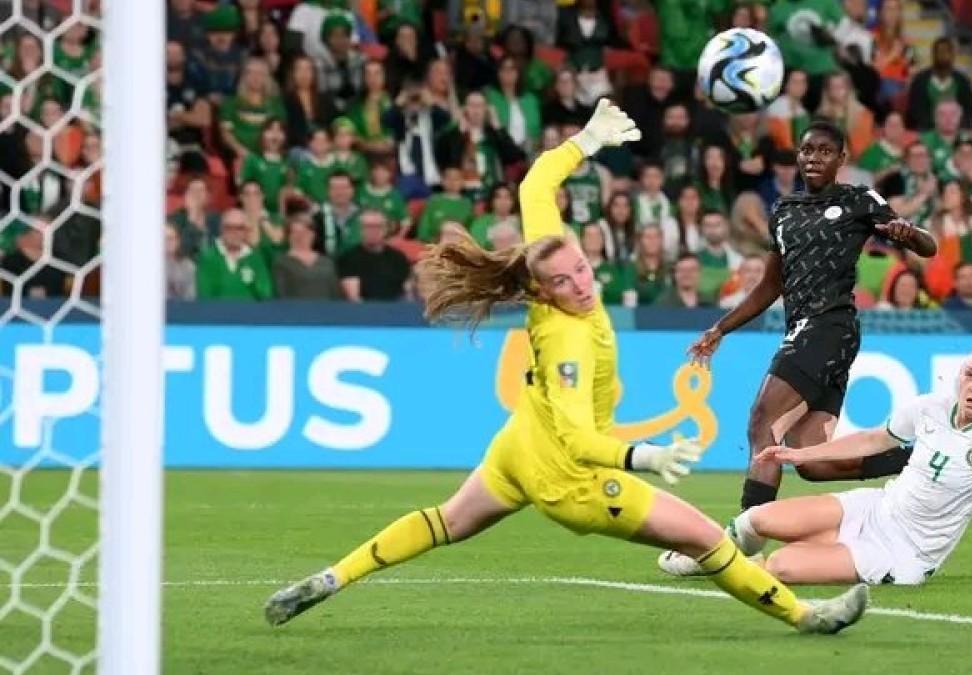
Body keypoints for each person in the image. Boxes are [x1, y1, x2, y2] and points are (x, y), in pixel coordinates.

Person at [263, 100, 869, 635]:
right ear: (543, 293)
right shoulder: (568, 343)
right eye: (564, 282)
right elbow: (581, 439)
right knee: (705, 538)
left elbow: (533, 188)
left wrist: (586, 139)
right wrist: (644, 458)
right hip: (568, 479)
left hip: (520, 443)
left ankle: (328, 580)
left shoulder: (546, 257)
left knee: (445, 521)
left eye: (580, 268)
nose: (580, 282)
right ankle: (806, 615)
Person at [683, 120, 939, 523]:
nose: (813, 158)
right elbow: (770, 286)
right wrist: (721, 328)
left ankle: (744, 537)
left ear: (842, 158)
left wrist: (909, 234)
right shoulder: (784, 211)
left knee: (762, 424)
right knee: (812, 462)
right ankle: (927, 460)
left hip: (828, 326)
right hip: (808, 331)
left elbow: (929, 247)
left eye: (823, 151)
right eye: (806, 150)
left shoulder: (858, 199)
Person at [666, 344, 972, 590]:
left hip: (904, 552)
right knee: (757, 519)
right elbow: (873, 439)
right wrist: (801, 455)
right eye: (971, 375)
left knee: (782, 566)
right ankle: (704, 555)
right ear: (960, 377)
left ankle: (726, 563)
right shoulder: (929, 407)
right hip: (873, 508)